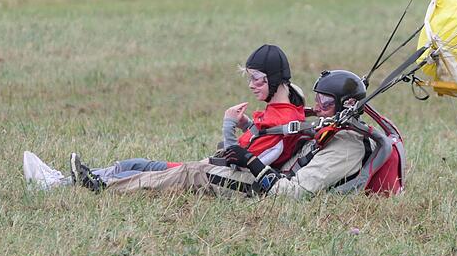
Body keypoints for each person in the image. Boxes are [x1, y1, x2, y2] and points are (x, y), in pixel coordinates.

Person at [77, 70, 372, 199]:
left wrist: (250, 161)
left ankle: (102, 187)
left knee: (192, 172)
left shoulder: (346, 147)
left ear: (346, 105)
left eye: (325, 102)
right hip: (266, 175)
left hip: (263, 189)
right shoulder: (333, 128)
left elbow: (293, 193)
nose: (317, 107)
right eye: (317, 99)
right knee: (170, 167)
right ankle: (89, 179)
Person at [68, 44, 306, 191]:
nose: (251, 85)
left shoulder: (281, 120)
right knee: (136, 164)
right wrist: (249, 126)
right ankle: (68, 180)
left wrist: (229, 125)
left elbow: (240, 162)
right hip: (213, 167)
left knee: (146, 175)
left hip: (220, 175)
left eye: (257, 78)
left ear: (274, 79)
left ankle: (94, 185)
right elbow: (265, 140)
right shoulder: (289, 110)